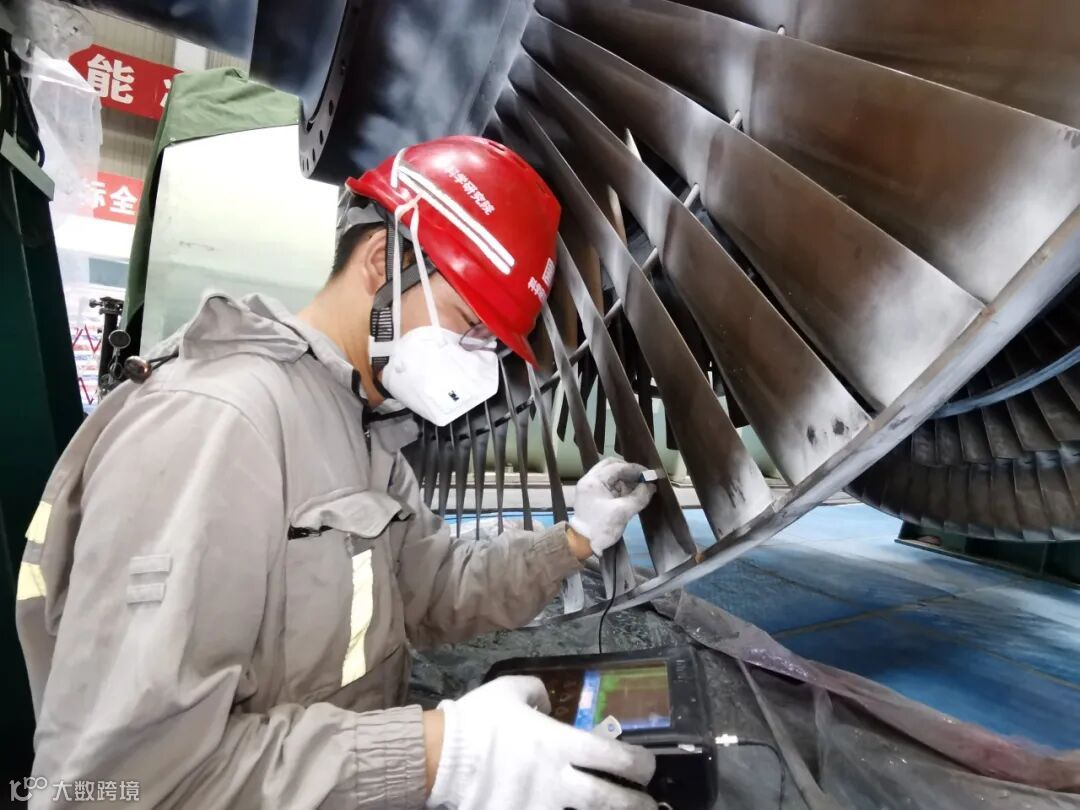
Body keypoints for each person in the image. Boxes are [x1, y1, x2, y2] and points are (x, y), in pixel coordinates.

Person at [16, 136, 659, 809]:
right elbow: (120, 782)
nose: (480, 364)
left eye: (492, 346)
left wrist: (575, 538)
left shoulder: (366, 433)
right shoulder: (217, 423)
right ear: (383, 261)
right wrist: (438, 752)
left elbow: (433, 588)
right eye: (470, 324)